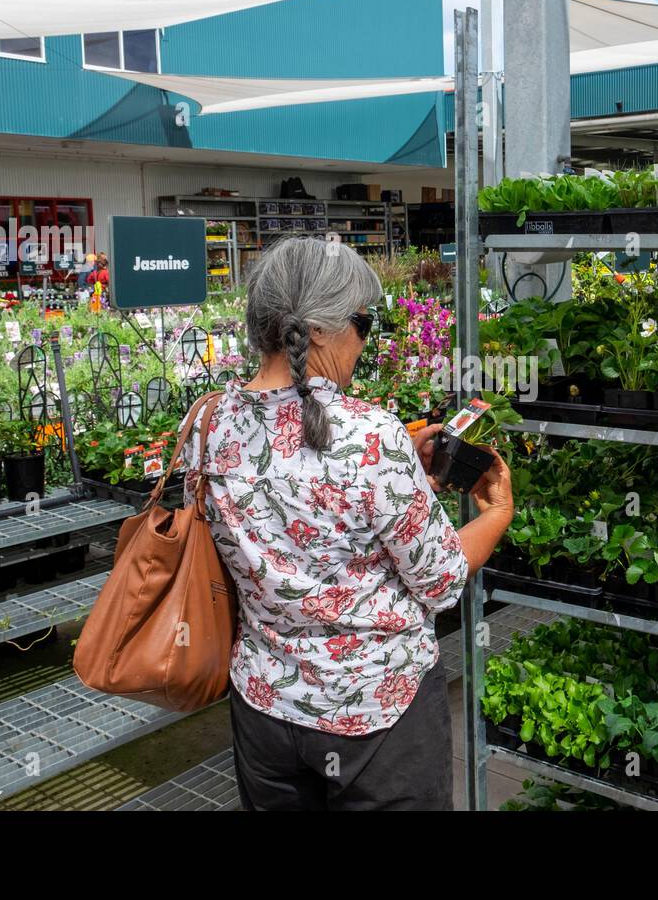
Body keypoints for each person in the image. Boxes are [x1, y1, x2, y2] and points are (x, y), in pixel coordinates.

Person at [180, 237, 513, 811]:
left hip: (264, 706)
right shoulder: (370, 436)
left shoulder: (206, 420)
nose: (366, 339)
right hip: (377, 715)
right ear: (321, 330)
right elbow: (440, 580)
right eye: (365, 322)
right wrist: (499, 511)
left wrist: (398, 466)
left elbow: (281, 488)